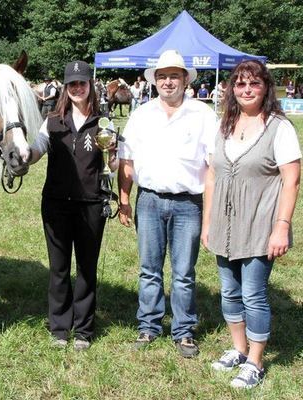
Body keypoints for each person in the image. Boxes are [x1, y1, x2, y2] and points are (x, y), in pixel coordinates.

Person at [202, 60, 301, 389]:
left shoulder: (279, 128)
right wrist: (207, 223)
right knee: (229, 292)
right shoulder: (225, 125)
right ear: (231, 88)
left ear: (265, 88)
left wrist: (282, 226)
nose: (246, 90)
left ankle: (256, 362)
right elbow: (212, 175)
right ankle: (239, 349)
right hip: (224, 225)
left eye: (253, 84)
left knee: (253, 294)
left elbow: (291, 181)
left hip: (260, 224)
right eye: (240, 84)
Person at [117, 49, 217, 358]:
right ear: (154, 81)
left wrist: (210, 217)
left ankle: (184, 330)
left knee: (184, 272)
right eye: (162, 76)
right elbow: (126, 160)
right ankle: (148, 326)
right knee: (149, 269)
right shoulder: (141, 115)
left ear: (186, 80)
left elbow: (213, 169)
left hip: (189, 203)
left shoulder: (203, 115)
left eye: (174, 76)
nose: (168, 82)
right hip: (148, 200)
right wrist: (124, 198)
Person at [28, 60, 118, 351]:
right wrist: (22, 155)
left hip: (92, 203)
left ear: (90, 86)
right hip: (56, 203)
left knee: (87, 267)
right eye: (72, 84)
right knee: (58, 267)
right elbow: (37, 150)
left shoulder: (104, 122)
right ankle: (59, 327)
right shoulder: (52, 120)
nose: (78, 88)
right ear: (66, 88)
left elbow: (114, 165)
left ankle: (84, 329)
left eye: (82, 83)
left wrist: (115, 153)